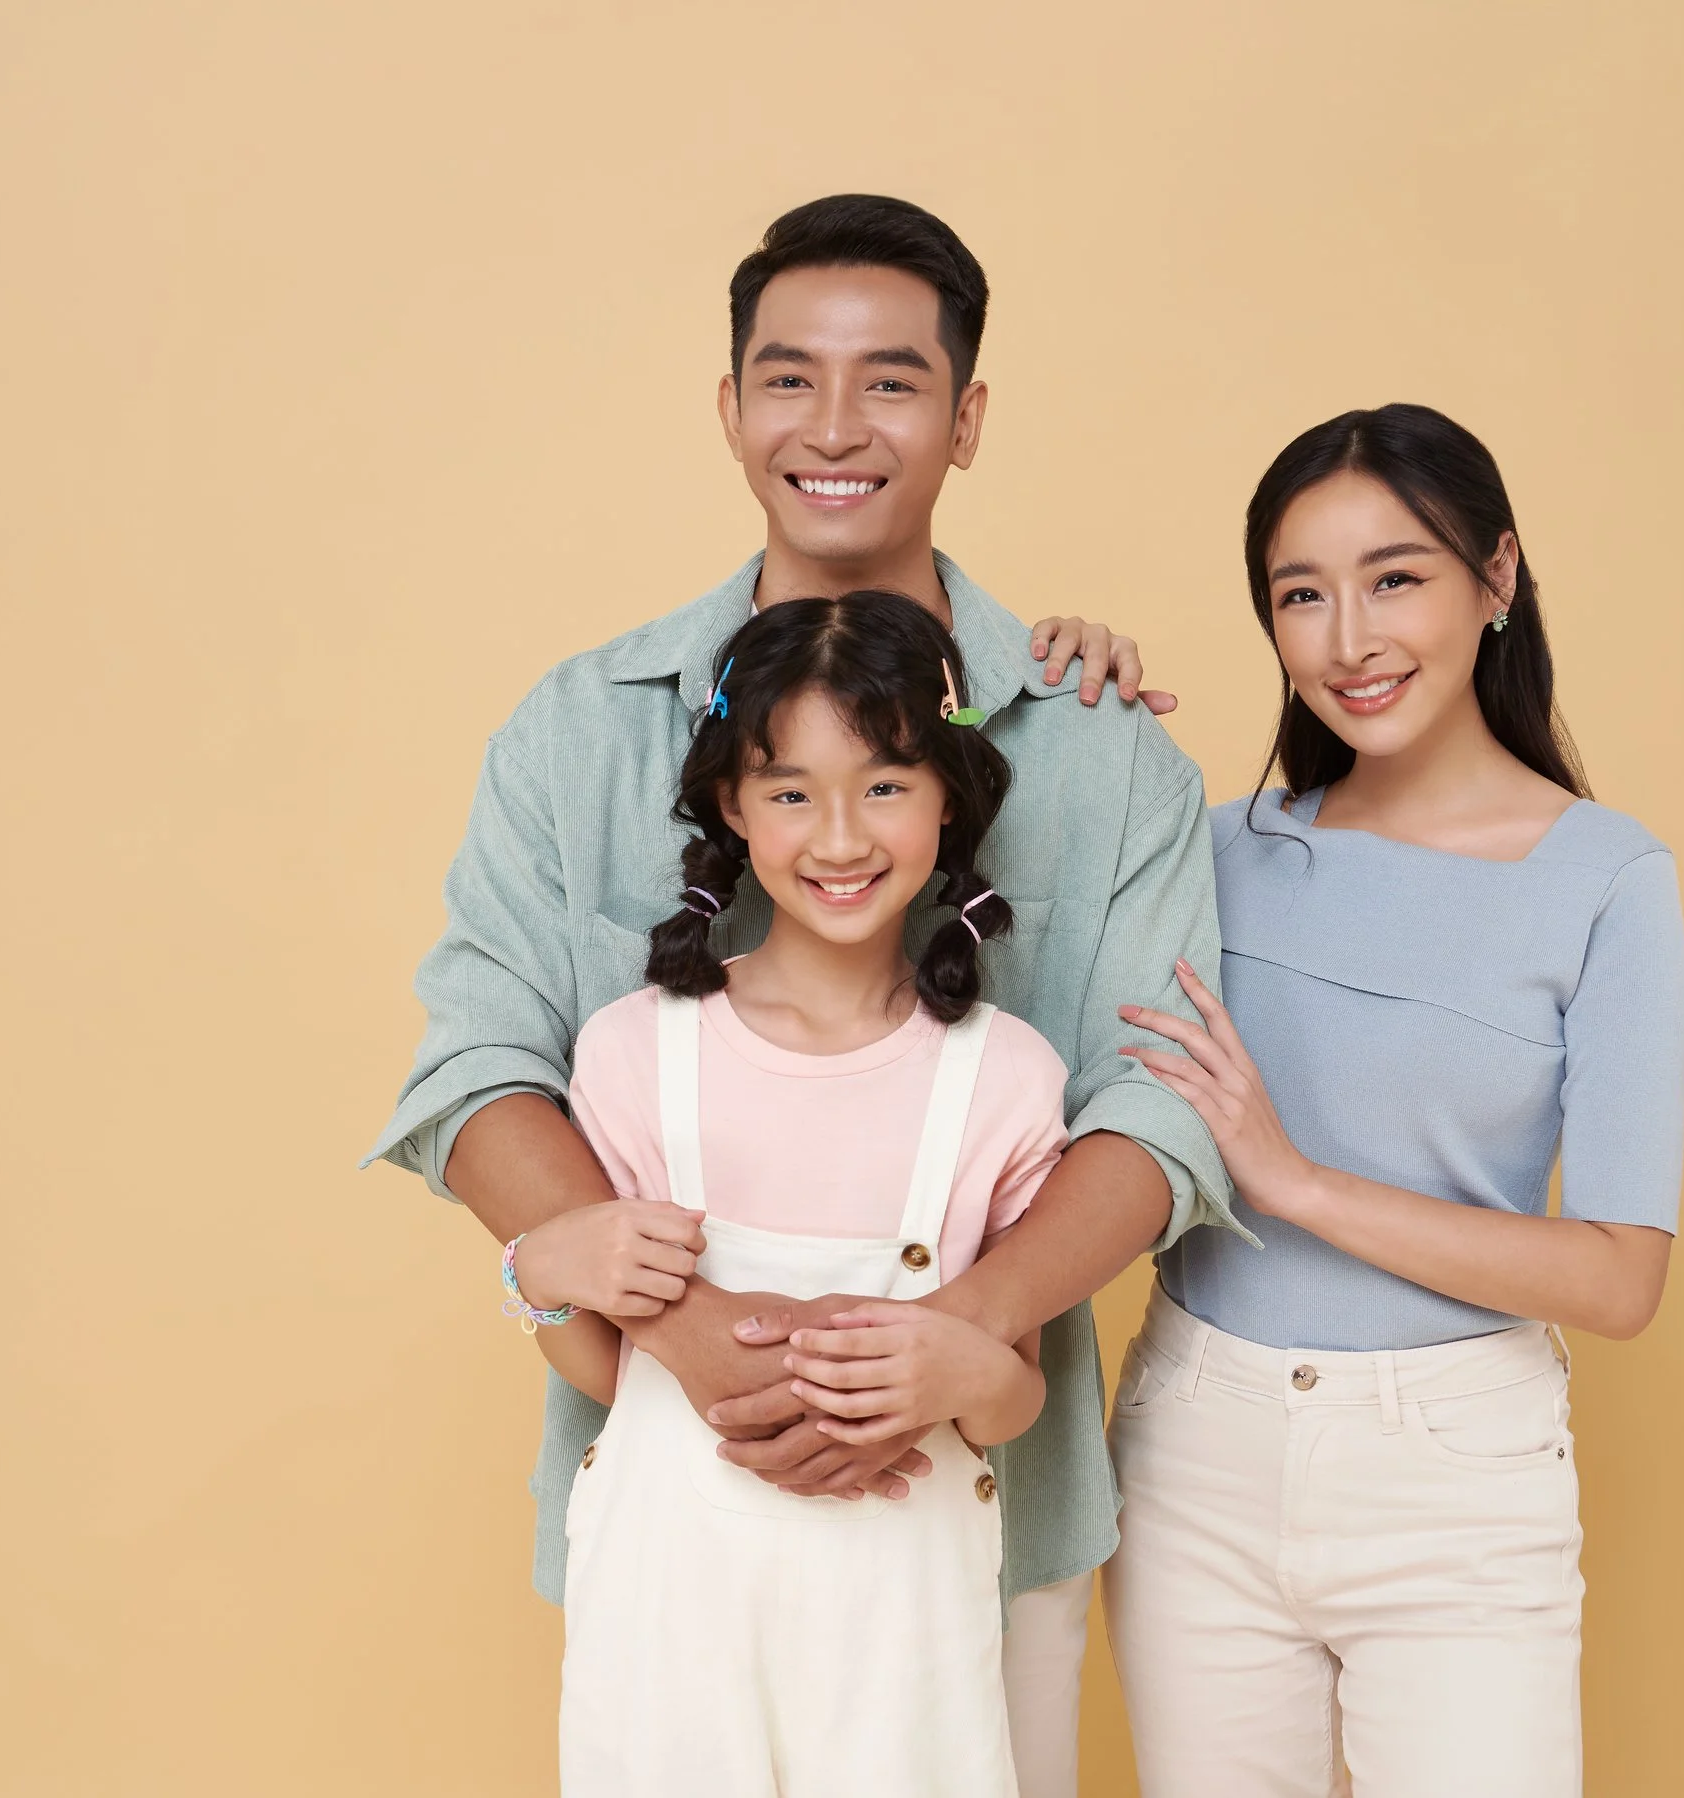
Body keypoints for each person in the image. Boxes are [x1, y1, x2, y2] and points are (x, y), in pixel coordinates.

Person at [361, 194, 1231, 1797]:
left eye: (893, 381)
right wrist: (689, 1334)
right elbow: (478, 1068)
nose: (836, 426)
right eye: (788, 378)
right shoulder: (576, 727)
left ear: (966, 418)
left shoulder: (1103, 746)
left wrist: (960, 1332)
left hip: (987, 1516)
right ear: (730, 406)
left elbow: (1163, 1107)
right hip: (666, 1512)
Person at [1103, 404, 1684, 1796]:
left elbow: (1619, 1278)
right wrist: (1045, 688)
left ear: (1497, 578)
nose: (1348, 638)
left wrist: (1296, 1180)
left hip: (1455, 1476)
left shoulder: (1608, 879)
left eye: (1396, 577)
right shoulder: (1209, 851)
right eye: (1300, 594)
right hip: (1196, 1438)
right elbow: (929, 836)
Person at [546, 589, 1064, 1794]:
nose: (840, 836)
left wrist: (953, 1370)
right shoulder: (634, 1052)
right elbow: (601, 1368)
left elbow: (1009, 1399)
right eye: (790, 792)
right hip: (665, 1628)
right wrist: (542, 1270)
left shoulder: (1004, 1079)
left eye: (885, 784)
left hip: (906, 1646)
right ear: (733, 805)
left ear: (950, 798)